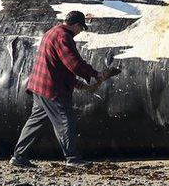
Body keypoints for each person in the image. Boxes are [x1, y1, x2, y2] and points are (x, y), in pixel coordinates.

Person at [10, 10, 117, 169]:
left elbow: (59, 65)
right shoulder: (63, 37)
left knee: (35, 122)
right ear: (75, 25)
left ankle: (18, 157)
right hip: (51, 89)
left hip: (39, 85)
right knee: (66, 121)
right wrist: (95, 74)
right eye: (81, 28)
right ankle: (72, 158)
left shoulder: (51, 32)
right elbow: (73, 63)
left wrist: (78, 84)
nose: (80, 32)